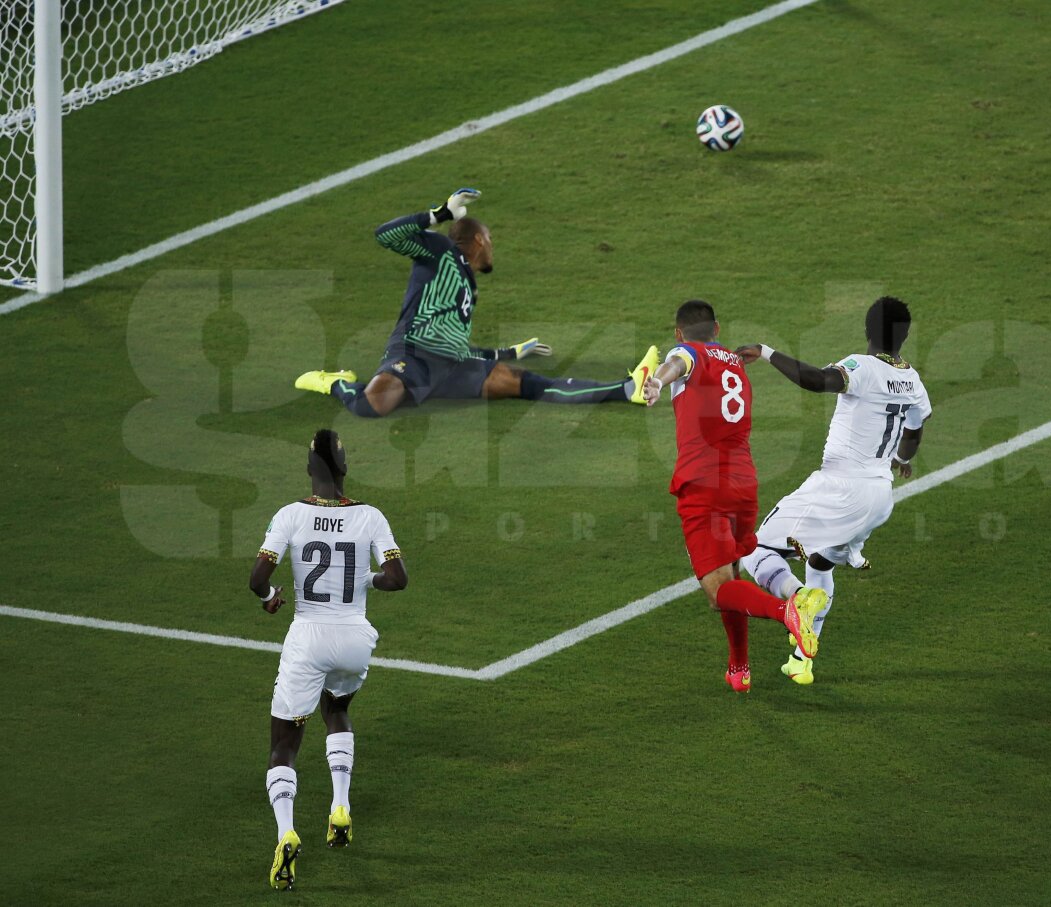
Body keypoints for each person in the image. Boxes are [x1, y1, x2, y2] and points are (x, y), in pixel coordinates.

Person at [295, 188, 658, 414]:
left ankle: (629, 388)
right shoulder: (439, 250)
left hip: (452, 369)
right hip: (413, 356)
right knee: (372, 405)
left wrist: (508, 353)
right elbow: (385, 235)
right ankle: (334, 381)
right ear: (480, 241)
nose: (493, 248)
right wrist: (441, 215)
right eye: (491, 239)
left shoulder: (468, 284)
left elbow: (455, 345)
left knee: (528, 384)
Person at [735, 296, 932, 685]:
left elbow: (818, 381)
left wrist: (767, 352)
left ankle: (796, 601)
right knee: (821, 562)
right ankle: (801, 661)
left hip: (841, 489)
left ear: (867, 330)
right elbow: (913, 436)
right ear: (905, 336)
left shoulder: (861, 366)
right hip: (879, 497)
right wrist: (901, 458)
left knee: (753, 551)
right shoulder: (913, 380)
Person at [249, 429, 408, 890]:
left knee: (284, 746)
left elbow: (258, 577)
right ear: (344, 469)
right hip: (355, 636)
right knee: (336, 709)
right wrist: (365, 582)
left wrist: (270, 597)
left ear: (308, 469)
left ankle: (286, 833)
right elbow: (397, 578)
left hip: (308, 635)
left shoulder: (290, 514)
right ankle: (341, 807)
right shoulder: (370, 515)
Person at [642, 299, 827, 692]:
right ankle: (739, 667)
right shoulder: (736, 364)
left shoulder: (686, 352)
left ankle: (788, 610)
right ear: (718, 328)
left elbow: (679, 362)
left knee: (717, 590)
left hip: (703, 485)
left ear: (679, 333)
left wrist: (658, 379)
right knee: (732, 571)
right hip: (743, 484)